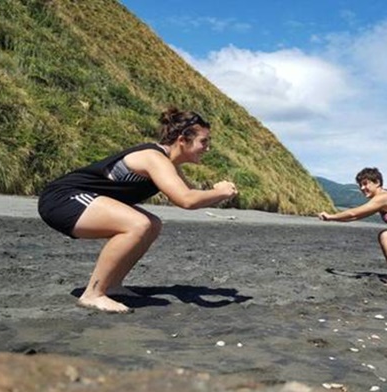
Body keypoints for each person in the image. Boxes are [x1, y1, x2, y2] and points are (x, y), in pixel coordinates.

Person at [38, 107, 238, 313]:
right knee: (137, 223)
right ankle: (93, 294)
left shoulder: (168, 164)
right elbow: (186, 200)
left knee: (152, 225)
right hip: (62, 199)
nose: (207, 148)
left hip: (81, 201)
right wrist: (221, 192)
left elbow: (191, 194)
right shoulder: (154, 158)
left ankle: (113, 286)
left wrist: (215, 192)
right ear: (182, 140)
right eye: (203, 142)